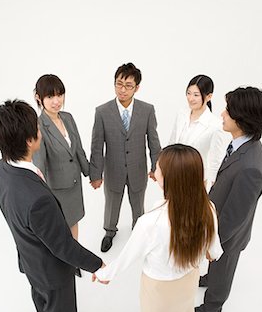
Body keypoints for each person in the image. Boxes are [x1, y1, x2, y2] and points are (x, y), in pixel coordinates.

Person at [0, 99, 104, 312]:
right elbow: (63, 245)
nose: (40, 130)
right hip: (49, 265)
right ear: (30, 140)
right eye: (37, 128)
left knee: (38, 291)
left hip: (27, 254)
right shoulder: (37, 199)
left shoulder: (1, 169)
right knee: (60, 305)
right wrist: (97, 265)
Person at [93, 144, 223, 312]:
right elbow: (214, 250)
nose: (154, 171)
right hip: (189, 278)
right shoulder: (208, 209)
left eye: (158, 168)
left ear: (171, 179)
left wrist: (105, 274)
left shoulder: (151, 222)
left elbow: (128, 255)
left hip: (159, 285)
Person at [195, 86, 262, 312]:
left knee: (222, 266)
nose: (222, 114)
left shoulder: (250, 168)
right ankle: (210, 278)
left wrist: (212, 245)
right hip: (218, 217)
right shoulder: (241, 145)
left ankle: (212, 307)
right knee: (216, 268)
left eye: (228, 111)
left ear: (243, 119)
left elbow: (234, 218)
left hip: (228, 235)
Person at [90, 62, 161, 253]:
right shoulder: (102, 112)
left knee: (138, 204)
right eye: (119, 84)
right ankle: (110, 232)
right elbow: (97, 146)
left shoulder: (147, 110)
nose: (122, 89)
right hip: (113, 169)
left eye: (128, 85)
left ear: (137, 88)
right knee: (111, 203)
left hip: (138, 168)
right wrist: (95, 174)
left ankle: (139, 232)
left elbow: (153, 142)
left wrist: (157, 167)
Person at [33, 74, 89, 277]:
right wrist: (40, 191)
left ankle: (74, 261)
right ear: (39, 98)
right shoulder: (38, 126)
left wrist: (90, 173)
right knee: (60, 228)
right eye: (50, 97)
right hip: (56, 188)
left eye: (60, 95)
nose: (57, 101)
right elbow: (39, 162)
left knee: (73, 222)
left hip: (74, 184)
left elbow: (78, 149)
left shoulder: (68, 117)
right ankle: (63, 263)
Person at [169, 75, 230, 191]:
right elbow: (171, 143)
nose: (191, 98)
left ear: (209, 96)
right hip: (174, 176)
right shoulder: (181, 114)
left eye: (196, 95)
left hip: (196, 180)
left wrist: (212, 189)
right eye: (189, 93)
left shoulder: (216, 125)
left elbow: (216, 161)